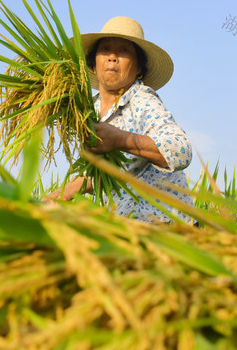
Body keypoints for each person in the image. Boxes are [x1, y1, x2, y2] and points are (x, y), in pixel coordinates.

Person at [44, 16, 195, 225]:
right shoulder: (89, 111)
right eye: (105, 49)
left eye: (123, 51)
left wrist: (120, 140)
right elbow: (103, 172)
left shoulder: (143, 100)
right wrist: (63, 193)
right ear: (94, 65)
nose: (113, 56)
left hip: (168, 225)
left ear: (139, 68)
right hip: (128, 226)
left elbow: (181, 151)